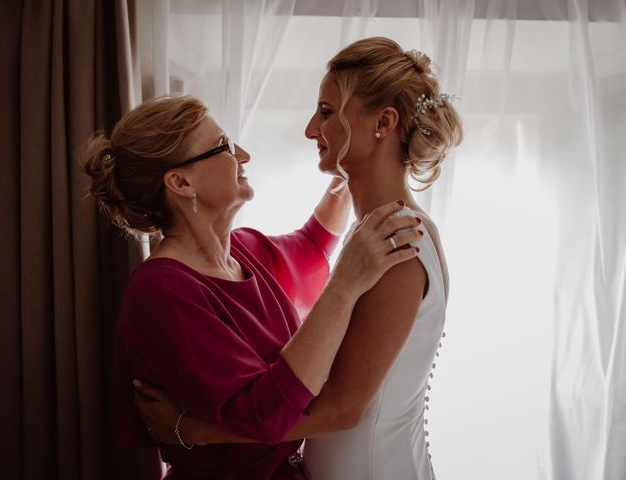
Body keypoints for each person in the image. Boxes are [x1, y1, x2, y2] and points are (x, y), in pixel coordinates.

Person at [134, 37, 463, 480]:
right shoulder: (375, 236)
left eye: (326, 112)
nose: (311, 129)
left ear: (383, 123)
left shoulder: (395, 244)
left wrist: (198, 430)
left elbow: (343, 408)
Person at [82, 93, 423, 479]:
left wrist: (354, 169)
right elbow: (266, 415)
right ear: (180, 182)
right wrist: (344, 282)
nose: (243, 155)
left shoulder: (244, 250)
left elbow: (311, 245)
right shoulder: (161, 293)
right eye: (223, 146)